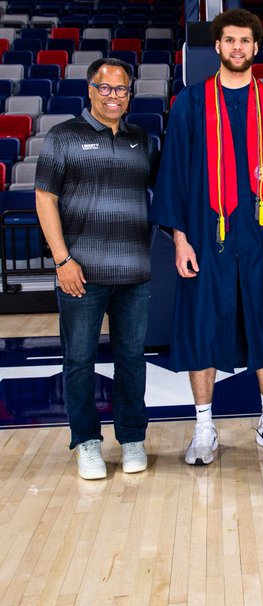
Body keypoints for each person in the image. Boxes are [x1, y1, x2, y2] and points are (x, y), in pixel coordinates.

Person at [150, 8, 263, 465]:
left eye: (245, 41)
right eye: (230, 41)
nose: (238, 48)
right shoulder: (191, 103)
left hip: (262, 237)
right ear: (217, 47)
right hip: (206, 234)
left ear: (255, 47)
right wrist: (180, 239)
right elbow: (176, 176)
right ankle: (204, 427)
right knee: (201, 327)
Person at [35, 58, 153, 480]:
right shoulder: (63, 137)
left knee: (132, 361)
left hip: (135, 275)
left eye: (121, 90)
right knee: (80, 362)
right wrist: (63, 260)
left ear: (129, 95)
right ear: (90, 90)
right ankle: (86, 442)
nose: (114, 96)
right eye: (105, 89)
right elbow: (44, 198)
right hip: (80, 275)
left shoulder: (143, 140)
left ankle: (133, 438)